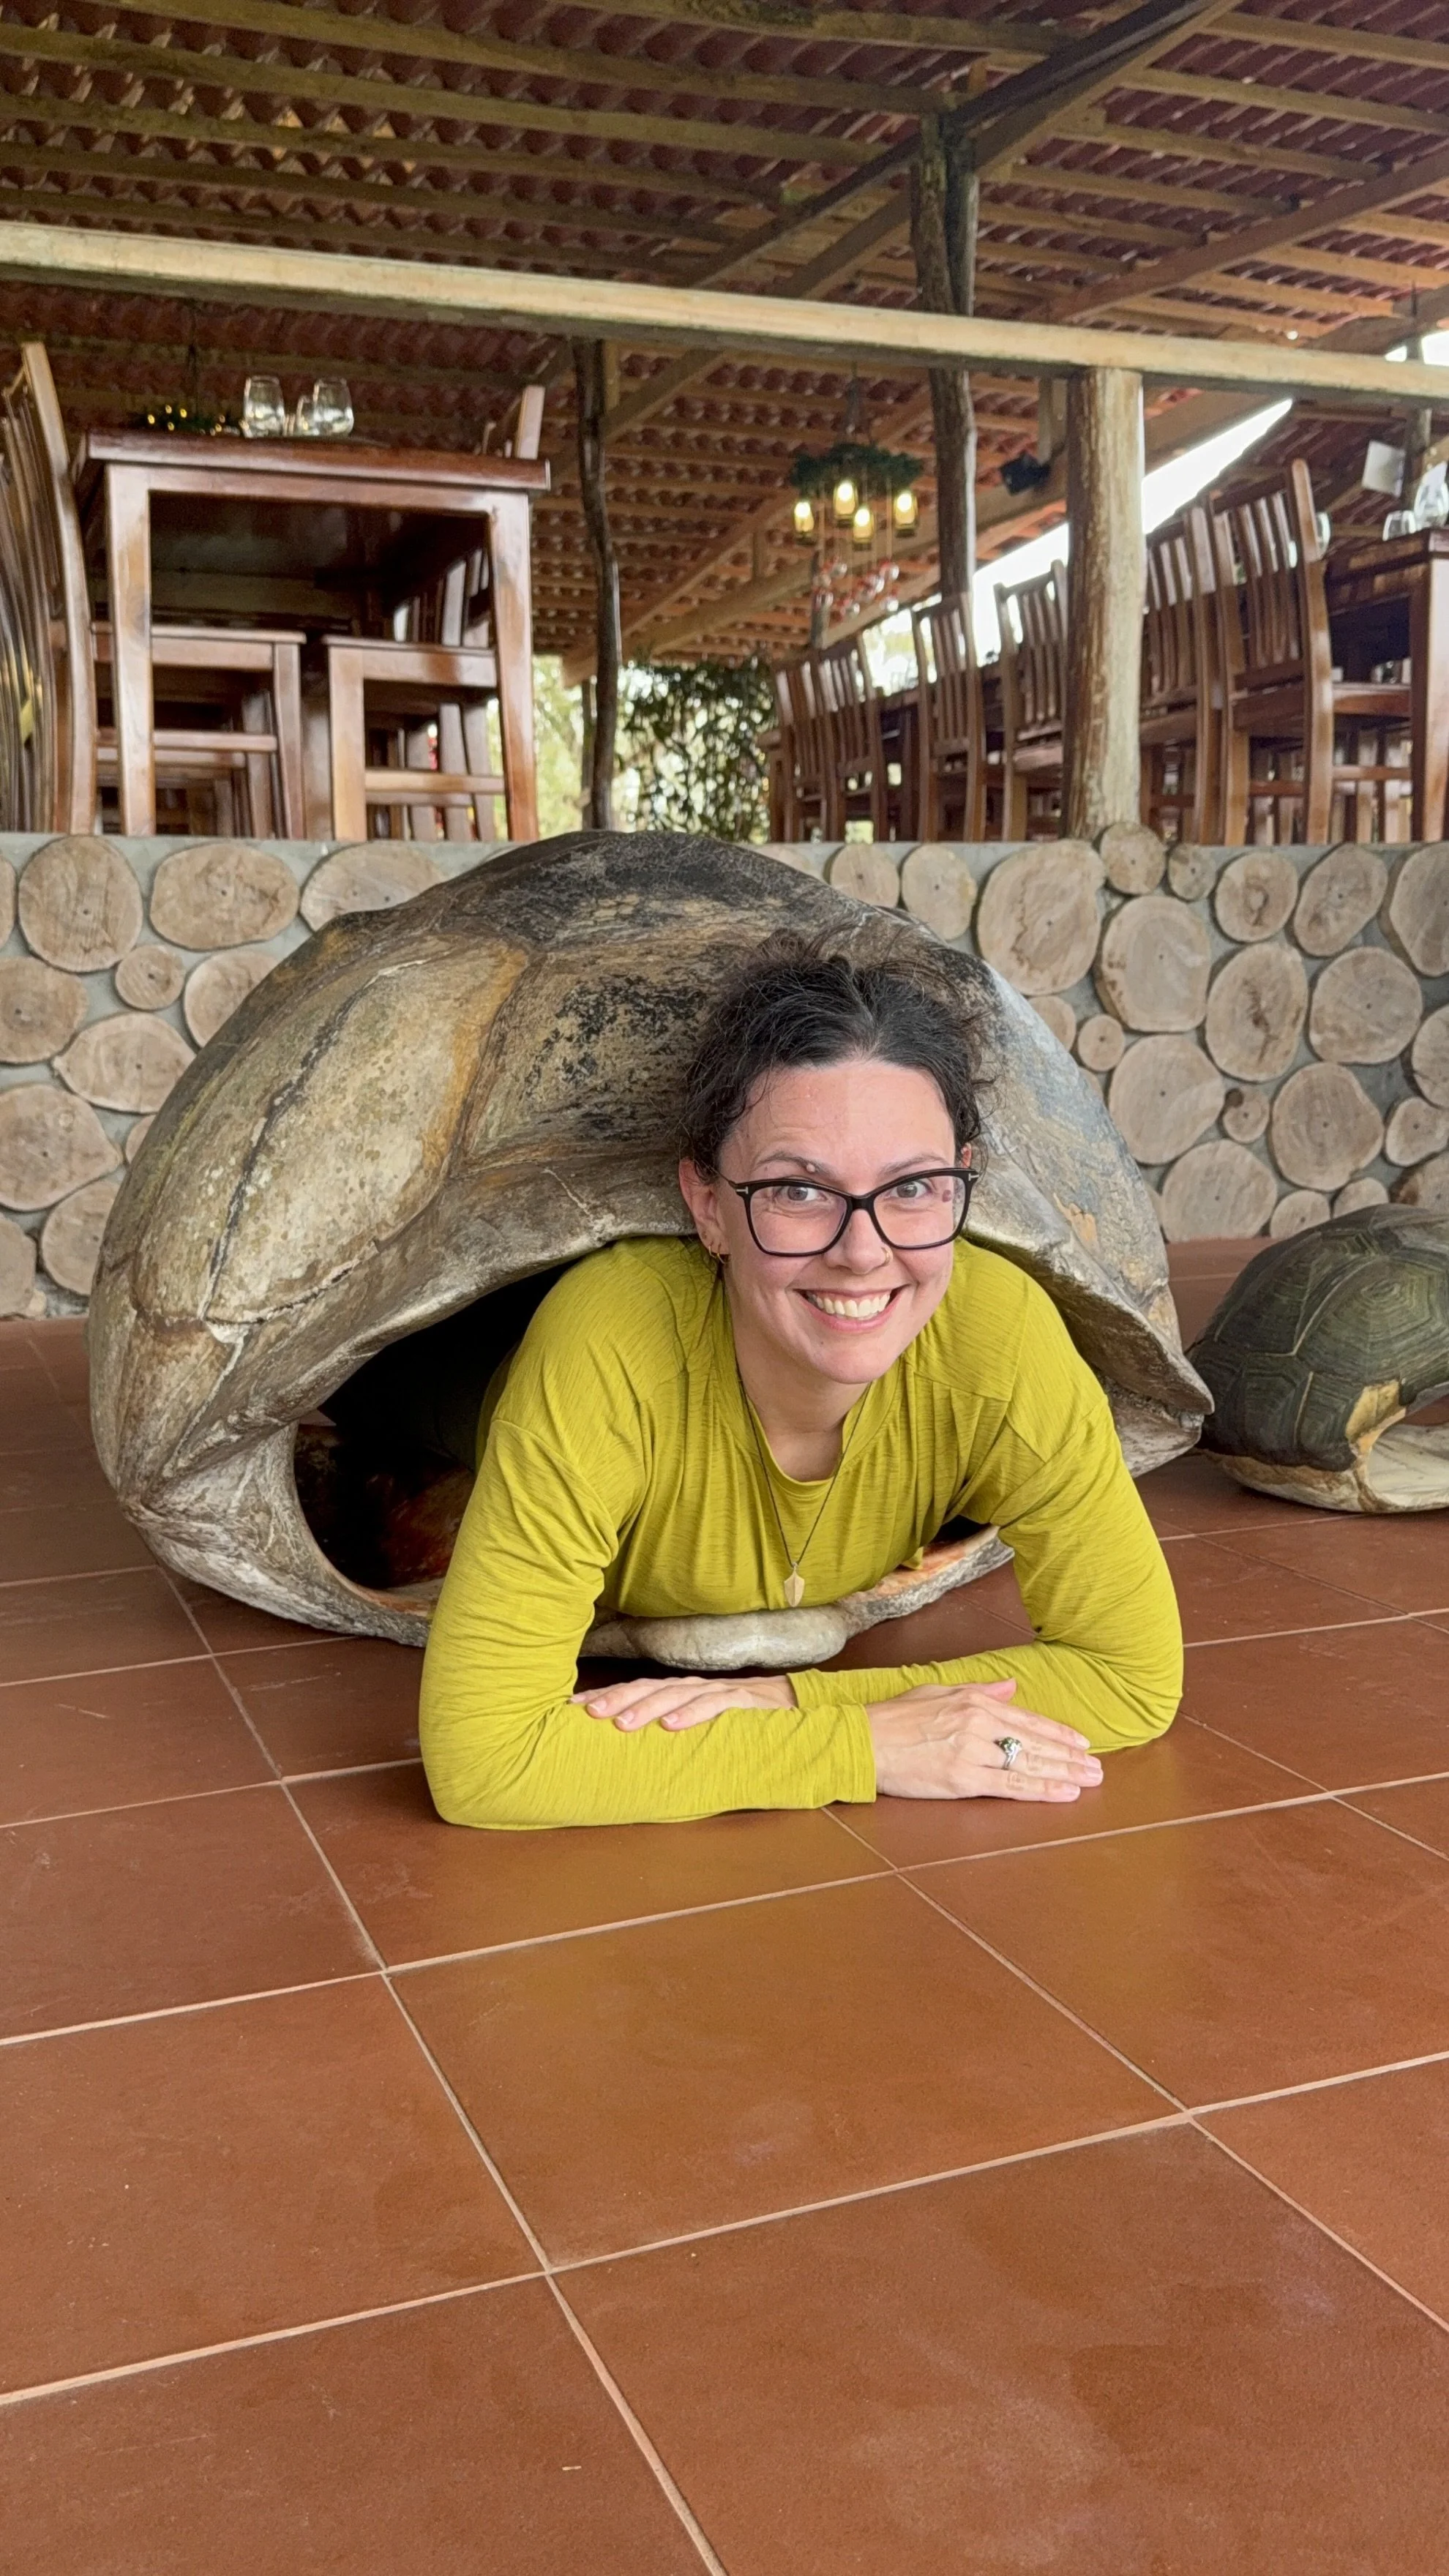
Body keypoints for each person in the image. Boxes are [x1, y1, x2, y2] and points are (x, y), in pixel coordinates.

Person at [419, 936, 1182, 1830]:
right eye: (797, 1192)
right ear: (708, 1205)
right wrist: (872, 1746)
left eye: (913, 1189)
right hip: (449, 1386)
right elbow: (484, 1759)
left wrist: (795, 1704)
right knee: (397, 1405)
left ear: (962, 1183)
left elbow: (1134, 1677)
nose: (863, 1253)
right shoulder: (610, 1344)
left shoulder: (999, 1336)